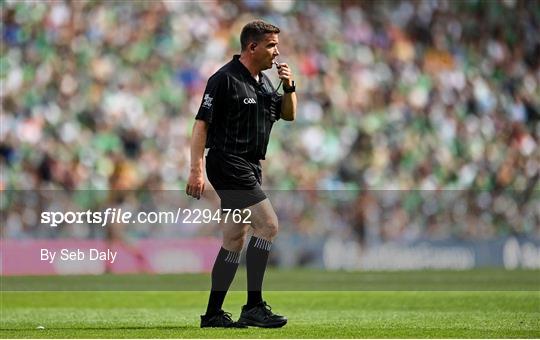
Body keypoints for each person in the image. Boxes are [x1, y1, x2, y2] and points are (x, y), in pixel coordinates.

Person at [186, 20, 297, 328]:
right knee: (269, 225)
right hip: (227, 161)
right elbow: (201, 125)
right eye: (271, 45)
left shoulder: (263, 82)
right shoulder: (224, 79)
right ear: (252, 47)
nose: (276, 52)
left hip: (250, 165)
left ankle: (212, 314)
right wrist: (196, 170)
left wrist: (289, 86)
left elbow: (288, 114)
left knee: (235, 238)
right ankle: (254, 305)